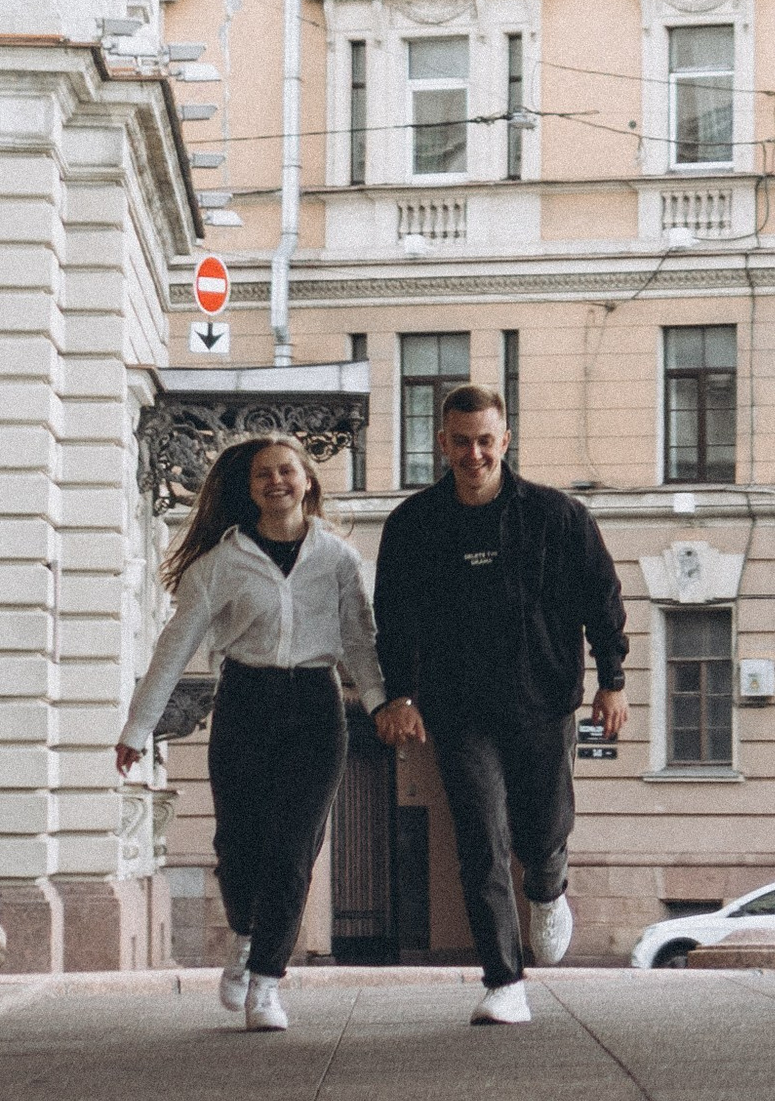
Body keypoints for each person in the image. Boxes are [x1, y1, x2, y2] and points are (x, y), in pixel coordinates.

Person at [372, 383, 628, 1025]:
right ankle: (503, 981)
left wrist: (613, 678)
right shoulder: (412, 526)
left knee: (542, 830)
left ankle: (547, 890)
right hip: (457, 711)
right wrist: (398, 694)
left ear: (505, 440)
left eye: (486, 440)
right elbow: (394, 620)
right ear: (443, 444)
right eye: (462, 442)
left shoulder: (557, 517)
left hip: (542, 700)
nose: (475, 454)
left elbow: (602, 596)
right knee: (480, 836)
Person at [115, 431, 381, 1030]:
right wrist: (139, 727)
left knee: (293, 852)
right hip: (245, 704)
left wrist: (382, 702)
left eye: (287, 470)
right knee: (238, 849)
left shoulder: (337, 558)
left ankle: (266, 982)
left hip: (316, 705)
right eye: (264, 474)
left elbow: (359, 641)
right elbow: (173, 647)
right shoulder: (219, 563)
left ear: (307, 480)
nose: (276, 481)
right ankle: (244, 935)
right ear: (250, 487)